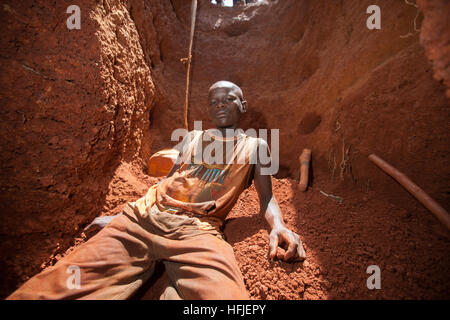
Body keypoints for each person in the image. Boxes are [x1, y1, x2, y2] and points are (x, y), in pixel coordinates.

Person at [7, 81, 306, 300]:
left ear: (243, 106)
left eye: (228, 99)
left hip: (199, 231)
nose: (220, 105)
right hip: (141, 220)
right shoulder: (191, 138)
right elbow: (167, 182)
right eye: (213, 101)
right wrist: (118, 217)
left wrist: (278, 226)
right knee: (50, 289)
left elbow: (266, 198)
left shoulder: (255, 146)